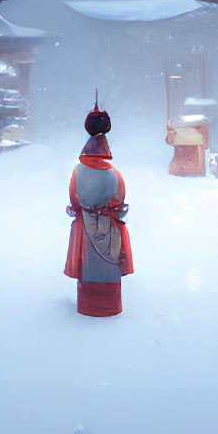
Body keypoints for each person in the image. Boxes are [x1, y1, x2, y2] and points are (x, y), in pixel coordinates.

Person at [64, 100, 134, 316]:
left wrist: (83, 209)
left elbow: (75, 201)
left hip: (85, 230)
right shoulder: (114, 174)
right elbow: (120, 199)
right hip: (109, 229)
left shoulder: (78, 171)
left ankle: (88, 305)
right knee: (107, 265)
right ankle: (109, 306)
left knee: (90, 269)